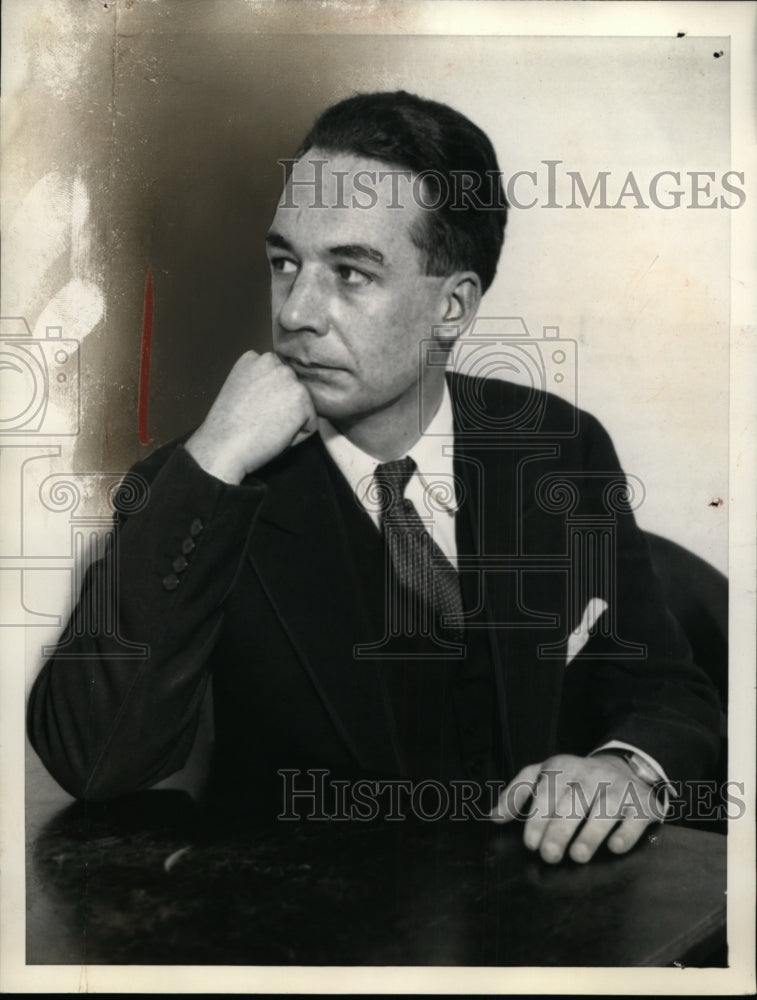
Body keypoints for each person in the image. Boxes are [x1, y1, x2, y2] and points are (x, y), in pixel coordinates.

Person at [27, 91, 720, 865]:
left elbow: (664, 686)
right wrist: (214, 460)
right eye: (285, 262)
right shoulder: (198, 485)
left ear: (450, 307)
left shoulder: (557, 446)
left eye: (350, 273)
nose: (295, 312)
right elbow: (92, 761)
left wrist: (622, 767)